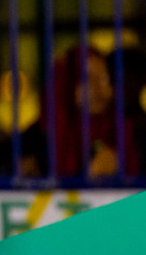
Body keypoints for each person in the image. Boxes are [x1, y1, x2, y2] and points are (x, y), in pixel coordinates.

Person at [49, 45, 138, 181]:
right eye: (87, 79)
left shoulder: (125, 130)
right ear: (68, 85)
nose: (98, 88)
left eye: (104, 78)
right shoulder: (43, 135)